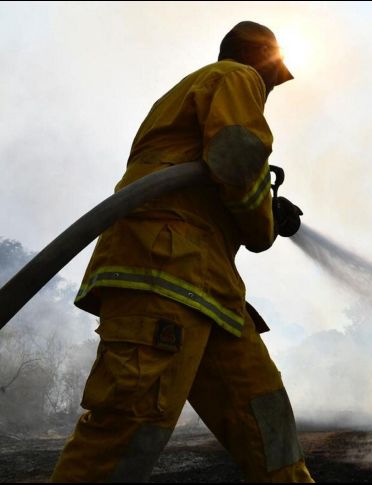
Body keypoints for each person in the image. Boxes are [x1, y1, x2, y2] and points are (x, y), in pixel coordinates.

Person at [50, 21, 312, 482]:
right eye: (273, 76)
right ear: (262, 62)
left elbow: (217, 174)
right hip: (163, 270)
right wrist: (263, 223)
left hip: (213, 294)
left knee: (271, 431)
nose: (272, 86)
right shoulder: (235, 76)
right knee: (126, 430)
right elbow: (235, 154)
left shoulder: (189, 98)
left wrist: (265, 205)